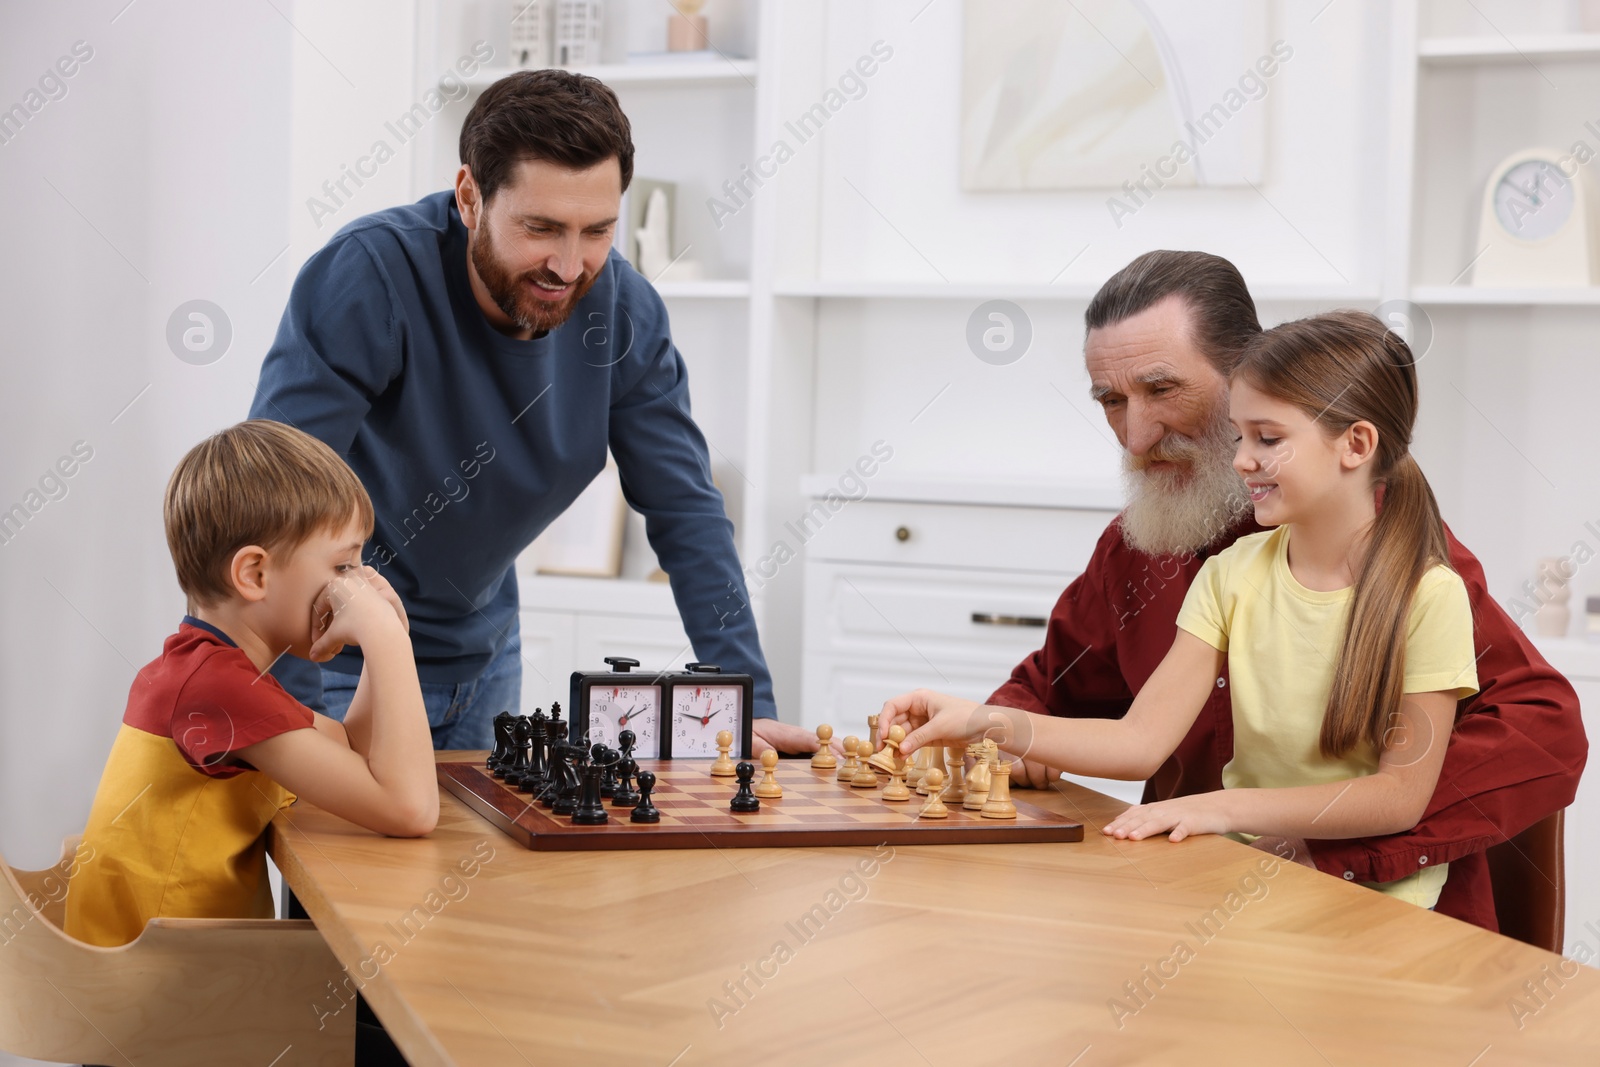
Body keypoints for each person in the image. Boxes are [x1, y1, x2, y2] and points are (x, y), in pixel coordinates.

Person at [881, 251, 1584, 931]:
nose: (1135, 436)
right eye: (1110, 401)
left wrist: (1337, 846)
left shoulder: (1400, 559)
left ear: (1245, 373)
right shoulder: (1140, 549)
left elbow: (1542, 726)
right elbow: (1058, 695)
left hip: (1374, 919)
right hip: (1193, 906)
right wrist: (993, 729)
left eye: (1162, 390)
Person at [250, 69, 819, 757]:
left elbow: (687, 512)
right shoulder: (367, 277)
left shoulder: (627, 314)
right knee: (351, 863)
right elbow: (275, 504)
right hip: (341, 660)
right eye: (541, 228)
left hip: (487, 655)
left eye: (597, 231)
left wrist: (744, 702)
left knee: (475, 866)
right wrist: (288, 718)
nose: (570, 264)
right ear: (469, 197)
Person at [64, 420, 437, 948]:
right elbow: (410, 809)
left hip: (184, 972)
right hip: (155, 990)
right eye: (342, 564)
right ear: (255, 575)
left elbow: (353, 752)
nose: (354, 584)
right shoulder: (216, 686)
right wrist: (388, 641)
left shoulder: (218, 670)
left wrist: (387, 631)